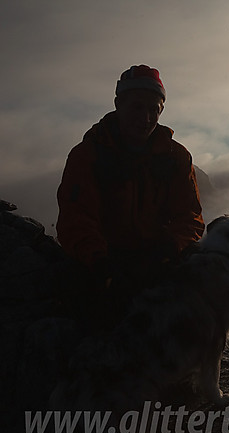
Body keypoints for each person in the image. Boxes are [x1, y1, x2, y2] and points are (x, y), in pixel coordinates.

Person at [56, 64, 205, 327]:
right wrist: (100, 264)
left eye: (153, 109)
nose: (145, 117)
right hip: (104, 262)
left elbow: (190, 216)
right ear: (118, 104)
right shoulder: (88, 156)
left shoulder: (176, 157)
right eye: (137, 107)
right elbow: (75, 218)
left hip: (158, 259)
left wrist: (169, 249)